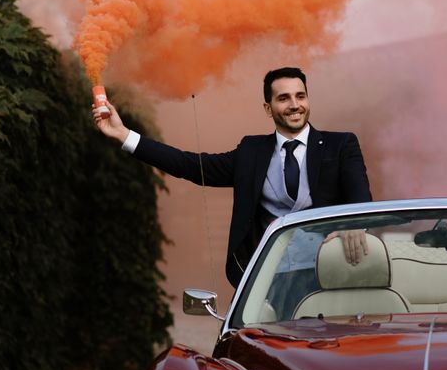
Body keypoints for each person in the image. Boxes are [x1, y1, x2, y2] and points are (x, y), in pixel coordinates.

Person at [92, 67, 373, 308]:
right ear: (268, 108)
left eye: (300, 96)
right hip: (266, 280)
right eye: (283, 98)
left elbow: (360, 195)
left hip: (330, 274)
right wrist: (124, 135)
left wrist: (355, 224)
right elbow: (191, 166)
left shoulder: (341, 144)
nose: (294, 105)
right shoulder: (251, 150)